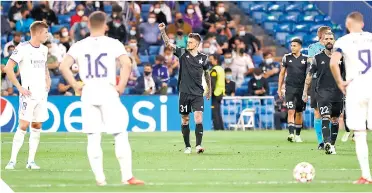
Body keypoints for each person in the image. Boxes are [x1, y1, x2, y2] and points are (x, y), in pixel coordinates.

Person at [58, 11, 143, 186]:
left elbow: (63, 66)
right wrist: (121, 86)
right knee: (120, 134)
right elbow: (126, 64)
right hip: (107, 90)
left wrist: (75, 85)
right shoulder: (114, 43)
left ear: (88, 25)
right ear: (105, 25)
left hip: (88, 92)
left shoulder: (79, 45)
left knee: (93, 137)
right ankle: (127, 176)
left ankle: (100, 178)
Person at [330, 12, 372, 184]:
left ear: (348, 25)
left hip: (355, 88)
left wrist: (340, 82)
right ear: (362, 24)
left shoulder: (343, 41)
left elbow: (333, 63)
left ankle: (366, 176)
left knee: (360, 133)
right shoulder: (371, 37)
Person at [4, 21, 51, 170]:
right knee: (23, 125)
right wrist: (19, 87)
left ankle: (31, 161)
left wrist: (48, 79)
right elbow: (8, 68)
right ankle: (12, 161)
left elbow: (44, 67)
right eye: (45, 32)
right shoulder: (22, 48)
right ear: (37, 33)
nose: (47, 35)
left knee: (37, 125)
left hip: (42, 93)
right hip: (28, 93)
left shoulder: (44, 49)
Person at [159, 22, 211, 154]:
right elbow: (168, 44)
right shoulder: (182, 53)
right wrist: (163, 31)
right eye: (188, 41)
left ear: (197, 44)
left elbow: (207, 74)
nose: (189, 43)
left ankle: (198, 145)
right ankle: (187, 146)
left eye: (191, 42)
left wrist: (209, 89)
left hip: (198, 93)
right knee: (185, 119)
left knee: (198, 117)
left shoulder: (204, 58)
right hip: (184, 92)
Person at [303, 32, 344, 155]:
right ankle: (326, 143)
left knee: (335, 119)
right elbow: (309, 75)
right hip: (322, 92)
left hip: (338, 92)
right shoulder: (317, 58)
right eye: (326, 39)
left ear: (334, 40)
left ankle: (332, 144)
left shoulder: (342, 57)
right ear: (323, 41)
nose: (329, 41)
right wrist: (305, 91)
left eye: (331, 38)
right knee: (325, 116)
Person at [278, 39, 309, 143]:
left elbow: (309, 75)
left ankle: (298, 135)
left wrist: (307, 90)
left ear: (300, 47)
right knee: (291, 111)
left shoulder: (306, 59)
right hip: (290, 88)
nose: (292, 47)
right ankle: (291, 134)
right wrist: (279, 88)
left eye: (295, 45)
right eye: (291, 45)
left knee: (299, 112)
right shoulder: (286, 58)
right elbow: (282, 73)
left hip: (301, 89)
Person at [307, 26, 332, 150]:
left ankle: (329, 140)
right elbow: (312, 62)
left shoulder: (336, 48)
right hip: (317, 81)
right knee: (317, 112)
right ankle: (321, 141)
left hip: (332, 81)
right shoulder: (313, 48)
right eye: (327, 34)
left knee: (331, 113)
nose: (329, 37)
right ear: (321, 35)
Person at [209, 54, 225, 130]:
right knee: (218, 112)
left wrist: (209, 93)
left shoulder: (214, 70)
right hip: (220, 93)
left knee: (214, 112)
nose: (210, 61)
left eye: (211, 59)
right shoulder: (221, 69)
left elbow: (212, 83)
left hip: (215, 93)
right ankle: (221, 128)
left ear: (216, 60)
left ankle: (217, 128)